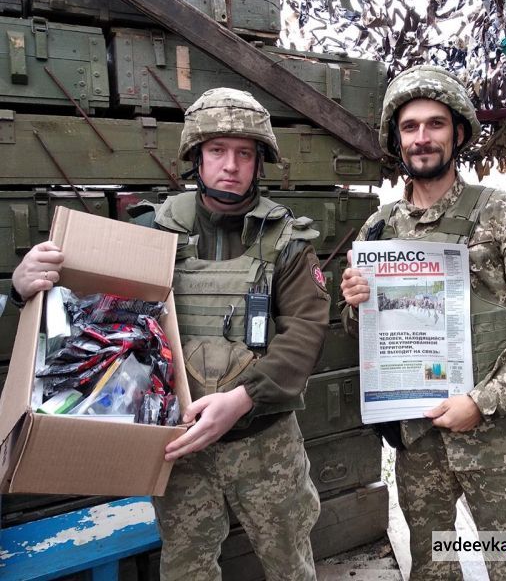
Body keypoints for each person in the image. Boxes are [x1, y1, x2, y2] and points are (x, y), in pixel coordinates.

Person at [11, 87, 330, 581]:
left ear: (258, 162)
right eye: (217, 151)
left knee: (291, 564)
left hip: (265, 442)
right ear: (196, 157)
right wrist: (25, 284)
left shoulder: (287, 241)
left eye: (244, 153)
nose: (231, 165)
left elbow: (305, 333)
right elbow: (89, 307)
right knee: (185, 569)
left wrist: (245, 397)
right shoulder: (151, 231)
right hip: (180, 446)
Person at [340, 65, 506, 581]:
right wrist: (355, 302)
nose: (422, 138)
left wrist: (481, 402)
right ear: (397, 139)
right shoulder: (379, 230)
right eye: (410, 127)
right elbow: (365, 338)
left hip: (496, 448)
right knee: (433, 566)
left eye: (435, 124)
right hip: (420, 447)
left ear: (458, 132)